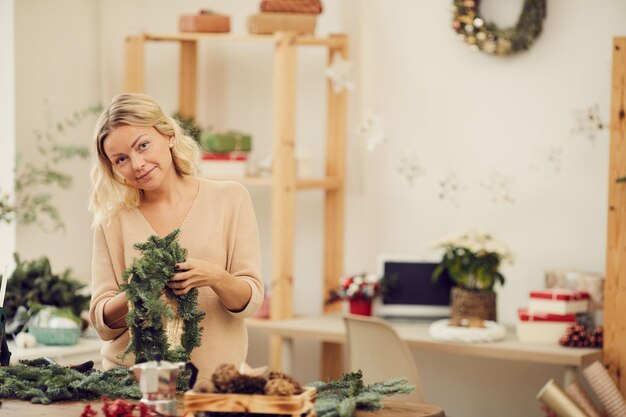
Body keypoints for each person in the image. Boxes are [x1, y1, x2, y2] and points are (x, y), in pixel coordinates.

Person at [88, 93, 263, 381]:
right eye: (121, 159)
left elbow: (250, 301)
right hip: (131, 385)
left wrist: (215, 277)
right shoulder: (112, 219)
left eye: (143, 145)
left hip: (214, 383)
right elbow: (103, 323)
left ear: (168, 135)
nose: (138, 164)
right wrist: (133, 293)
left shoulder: (230, 198)